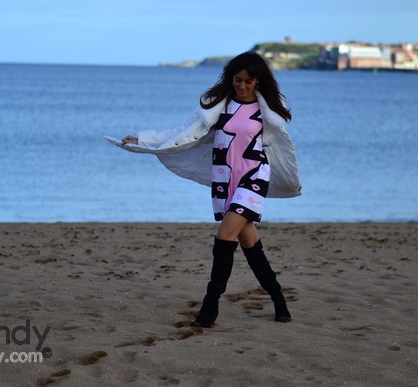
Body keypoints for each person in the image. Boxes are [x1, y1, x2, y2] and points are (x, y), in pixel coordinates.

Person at [107, 51, 301, 327]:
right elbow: (182, 131)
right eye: (237, 80)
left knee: (224, 236)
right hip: (225, 179)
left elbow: (281, 147)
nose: (242, 86)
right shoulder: (218, 106)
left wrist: (287, 178)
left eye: (247, 81)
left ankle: (210, 307)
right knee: (250, 244)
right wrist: (144, 140)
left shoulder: (266, 109)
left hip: (254, 177)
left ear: (258, 81)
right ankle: (279, 299)